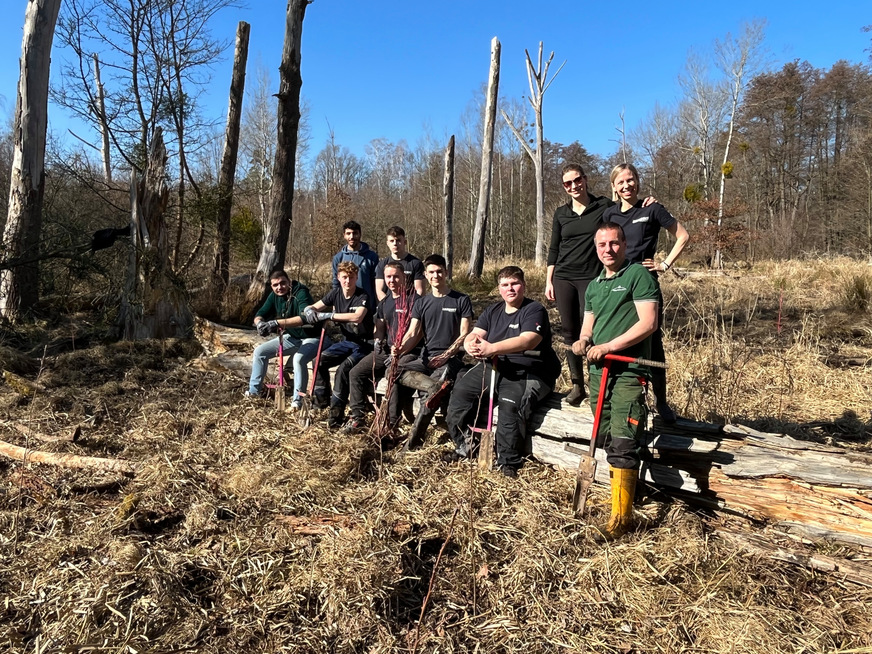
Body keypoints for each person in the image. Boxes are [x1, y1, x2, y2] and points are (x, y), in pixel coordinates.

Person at [573, 222, 659, 540]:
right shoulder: (594, 285)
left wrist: (609, 346)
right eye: (601, 244)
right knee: (607, 436)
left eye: (614, 243)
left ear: (624, 244)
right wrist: (583, 341)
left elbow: (649, 323)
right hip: (599, 373)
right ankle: (617, 501)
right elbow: (588, 325)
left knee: (624, 439)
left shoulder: (638, 275)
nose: (608, 249)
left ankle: (621, 520)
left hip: (628, 371)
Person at [545, 164, 656, 407]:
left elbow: (625, 212)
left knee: (593, 329)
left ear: (585, 180)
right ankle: (577, 384)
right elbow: (554, 248)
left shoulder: (603, 206)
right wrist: (549, 280)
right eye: (567, 183)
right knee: (569, 331)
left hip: (590, 276)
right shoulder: (560, 213)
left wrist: (645, 203)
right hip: (564, 277)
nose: (573, 186)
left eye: (577, 180)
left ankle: (598, 381)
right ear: (564, 187)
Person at [445, 266, 561, 478]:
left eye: (515, 284)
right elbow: (476, 333)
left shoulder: (534, 310)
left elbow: (529, 339)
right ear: (499, 288)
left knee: (510, 407)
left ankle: (508, 461)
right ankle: (466, 446)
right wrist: (471, 343)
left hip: (529, 370)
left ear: (523, 285)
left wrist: (492, 348)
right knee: (459, 394)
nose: (511, 289)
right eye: (505, 285)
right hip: (495, 365)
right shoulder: (492, 311)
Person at [602, 163, 690, 423]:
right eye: (621, 182)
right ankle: (619, 399)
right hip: (616, 285)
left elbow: (683, 236)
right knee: (617, 337)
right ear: (614, 187)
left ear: (638, 182)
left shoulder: (652, 208)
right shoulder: (609, 214)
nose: (627, 185)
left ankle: (661, 403)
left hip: (644, 284)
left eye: (631, 180)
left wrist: (664, 264)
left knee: (653, 343)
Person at [391, 254, 474, 450]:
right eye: (432, 272)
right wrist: (399, 348)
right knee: (393, 371)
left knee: (428, 400)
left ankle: (413, 443)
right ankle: (433, 387)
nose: (436, 276)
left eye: (439, 272)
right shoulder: (421, 303)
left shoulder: (461, 300)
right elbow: (413, 332)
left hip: (450, 359)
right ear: (426, 275)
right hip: (425, 357)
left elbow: (464, 333)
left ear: (446, 273)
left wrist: (447, 354)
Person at [343, 262, 416, 432]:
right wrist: (377, 341)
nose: (392, 280)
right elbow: (380, 327)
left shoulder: (414, 301)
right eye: (388, 277)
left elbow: (415, 332)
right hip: (386, 350)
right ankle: (357, 417)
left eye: (396, 276)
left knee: (392, 375)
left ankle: (390, 424)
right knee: (356, 372)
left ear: (404, 277)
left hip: (408, 351)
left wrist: (400, 349)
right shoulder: (385, 302)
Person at [304, 261, 373, 428]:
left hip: (364, 345)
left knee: (343, 370)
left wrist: (330, 315)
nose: (347, 281)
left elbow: (357, 317)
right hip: (347, 342)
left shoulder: (362, 296)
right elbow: (314, 306)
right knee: (318, 361)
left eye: (351, 277)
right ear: (338, 277)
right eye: (344, 277)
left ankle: (336, 414)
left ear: (356, 277)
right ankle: (321, 402)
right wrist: (309, 310)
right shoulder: (335, 293)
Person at [248, 270, 322, 409]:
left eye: (283, 283)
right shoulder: (274, 296)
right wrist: (259, 323)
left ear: (289, 281)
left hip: (312, 337)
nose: (279, 287)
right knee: (260, 351)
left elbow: (304, 318)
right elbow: (260, 314)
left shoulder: (300, 292)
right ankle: (253, 393)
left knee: (298, 359)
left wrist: (277, 323)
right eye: (275, 285)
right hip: (292, 337)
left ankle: (297, 401)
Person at [331, 220, 380, 302]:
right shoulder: (338, 258)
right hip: (345, 306)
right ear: (344, 235)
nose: (352, 237)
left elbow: (376, 284)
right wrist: (335, 304)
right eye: (348, 233)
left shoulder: (372, 257)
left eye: (355, 233)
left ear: (360, 234)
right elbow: (336, 284)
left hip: (367, 306)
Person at [374, 226, 426, 301]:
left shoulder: (415, 263)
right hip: (389, 308)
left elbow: (420, 290)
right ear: (387, 243)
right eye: (392, 241)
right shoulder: (382, 264)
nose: (395, 244)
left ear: (405, 242)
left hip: (410, 307)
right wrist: (389, 306)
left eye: (398, 240)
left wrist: (409, 306)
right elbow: (379, 291)